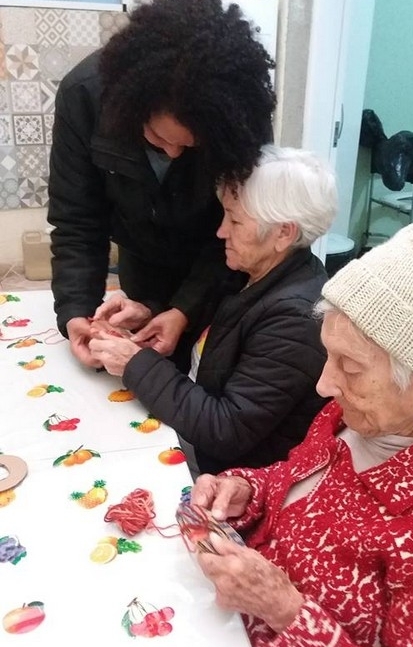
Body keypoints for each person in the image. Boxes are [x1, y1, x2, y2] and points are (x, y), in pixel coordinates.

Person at [189, 222, 413, 647]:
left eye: (349, 366)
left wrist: (286, 611)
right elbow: (300, 477)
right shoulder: (357, 415)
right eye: (328, 354)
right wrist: (249, 490)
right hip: (226, 633)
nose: (323, 385)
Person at [48, 0, 275, 370]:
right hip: (142, 262)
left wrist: (184, 309)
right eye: (157, 138)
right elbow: (77, 223)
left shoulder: (237, 115)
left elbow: (237, 228)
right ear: (132, 105)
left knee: (204, 378)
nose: (171, 152)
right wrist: (77, 314)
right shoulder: (84, 96)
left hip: (220, 265)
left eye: (190, 147)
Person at [89, 145, 338, 473]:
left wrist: (135, 364)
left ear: (283, 233)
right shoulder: (251, 270)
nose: (221, 232)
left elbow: (225, 430)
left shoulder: (295, 319)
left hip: (226, 472)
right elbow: (214, 340)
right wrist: (149, 314)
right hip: (190, 425)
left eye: (234, 220)